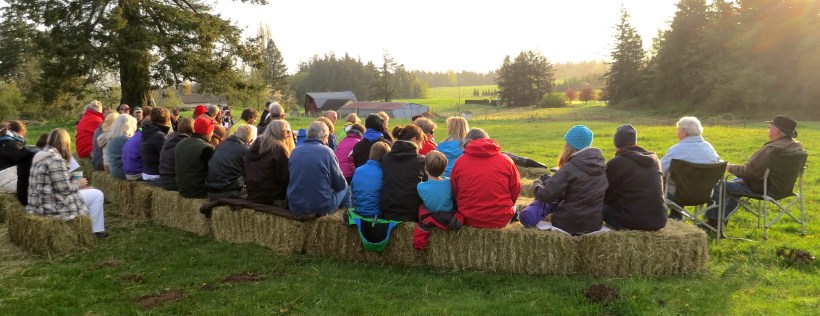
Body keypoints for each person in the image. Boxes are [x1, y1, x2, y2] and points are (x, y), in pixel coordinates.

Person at [708, 115, 804, 229]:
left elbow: (751, 172)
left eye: (769, 127)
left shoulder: (772, 149)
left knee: (719, 185)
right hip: (782, 189)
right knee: (735, 183)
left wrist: (729, 167)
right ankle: (722, 218)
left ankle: (713, 223)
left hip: (762, 188)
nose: (768, 129)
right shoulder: (796, 148)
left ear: (777, 131)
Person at [27, 129, 107, 238]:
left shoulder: (40, 156)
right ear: (65, 143)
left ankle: (90, 227)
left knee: (89, 192)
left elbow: (55, 181)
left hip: (39, 204)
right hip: (52, 206)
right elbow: (64, 190)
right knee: (97, 194)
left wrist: (74, 181)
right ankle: (96, 230)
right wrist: (79, 184)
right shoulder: (56, 160)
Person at [451, 128, 521, 229]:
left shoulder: (459, 162)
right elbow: (516, 188)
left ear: (470, 142)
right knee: (516, 209)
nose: (464, 149)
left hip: (469, 218)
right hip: (501, 219)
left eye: (465, 146)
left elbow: (455, 192)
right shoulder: (506, 161)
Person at [604, 125, 668, 231]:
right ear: (635, 141)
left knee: (597, 203)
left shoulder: (616, 163)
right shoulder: (655, 160)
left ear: (616, 143)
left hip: (632, 222)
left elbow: (607, 196)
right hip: (659, 220)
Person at [659, 116, 720, 219]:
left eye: (678, 130)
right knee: (680, 181)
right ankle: (676, 217)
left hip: (678, 195)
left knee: (660, 181)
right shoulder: (709, 148)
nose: (677, 132)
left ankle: (657, 219)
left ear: (683, 132)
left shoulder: (676, 150)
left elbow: (659, 170)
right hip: (705, 194)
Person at [287, 121, 348, 215]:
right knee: (346, 188)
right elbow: (340, 184)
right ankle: (347, 218)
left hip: (295, 206)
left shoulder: (294, 151)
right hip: (321, 207)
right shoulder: (327, 152)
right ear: (325, 137)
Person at [381, 124, 427, 222]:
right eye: (421, 143)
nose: (421, 147)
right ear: (414, 140)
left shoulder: (386, 158)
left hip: (388, 213)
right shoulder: (421, 161)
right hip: (412, 215)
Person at [244, 120, 295, 207]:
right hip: (271, 197)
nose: (290, 135)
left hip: (253, 194)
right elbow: (285, 178)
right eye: (287, 132)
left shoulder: (255, 145)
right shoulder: (279, 149)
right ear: (278, 132)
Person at [206, 125, 252, 201]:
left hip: (211, 192)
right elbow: (251, 174)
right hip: (229, 193)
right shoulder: (245, 150)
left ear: (235, 133)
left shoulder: (220, 145)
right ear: (250, 140)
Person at [176, 116, 216, 198]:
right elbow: (214, 172)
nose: (212, 134)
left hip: (182, 189)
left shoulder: (180, 143)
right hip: (199, 191)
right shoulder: (206, 148)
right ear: (207, 132)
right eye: (212, 131)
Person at [351, 142, 391, 217]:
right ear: (386, 156)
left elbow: (353, 191)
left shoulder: (358, 170)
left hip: (358, 212)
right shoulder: (384, 173)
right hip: (377, 215)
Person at [158, 117, 194, 191]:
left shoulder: (171, 138)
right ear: (193, 128)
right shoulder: (185, 143)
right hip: (174, 182)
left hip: (164, 179)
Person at [140, 108, 171, 183]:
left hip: (147, 172)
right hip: (155, 174)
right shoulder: (159, 135)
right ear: (167, 120)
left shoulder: (148, 130)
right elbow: (169, 157)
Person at [106, 115, 138, 179]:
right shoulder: (124, 139)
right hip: (122, 171)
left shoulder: (113, 136)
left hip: (114, 170)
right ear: (129, 125)